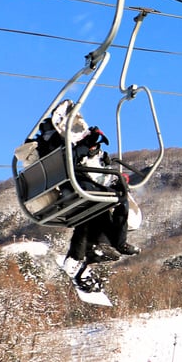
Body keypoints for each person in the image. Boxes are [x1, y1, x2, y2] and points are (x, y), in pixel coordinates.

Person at [65, 125, 140, 293]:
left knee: (94, 215)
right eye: (94, 145)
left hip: (83, 191)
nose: (95, 148)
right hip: (85, 188)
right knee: (121, 200)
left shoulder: (77, 154)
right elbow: (86, 171)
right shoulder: (75, 152)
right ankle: (114, 244)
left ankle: (90, 251)